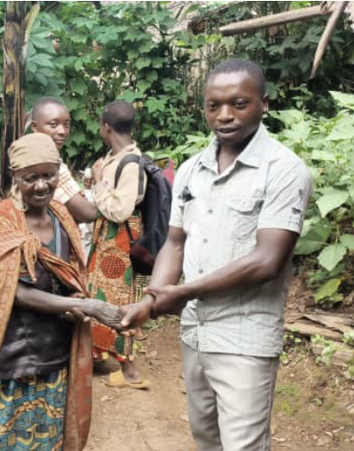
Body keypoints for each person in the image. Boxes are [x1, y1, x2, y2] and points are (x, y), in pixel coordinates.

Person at [120, 59, 314, 451]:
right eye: (214, 105)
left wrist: (183, 292)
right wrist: (152, 299)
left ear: (264, 104)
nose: (224, 115)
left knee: (242, 445)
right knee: (206, 438)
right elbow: (176, 243)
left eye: (239, 104)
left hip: (245, 336)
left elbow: (267, 261)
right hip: (196, 333)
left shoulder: (284, 170)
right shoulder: (191, 171)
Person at [0, 133, 125, 451]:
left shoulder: (62, 217)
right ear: (15, 178)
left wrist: (76, 302)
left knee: (48, 440)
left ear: (58, 173)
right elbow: (13, 292)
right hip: (14, 361)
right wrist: (90, 306)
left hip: (55, 356)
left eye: (48, 175)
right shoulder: (4, 220)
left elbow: (67, 279)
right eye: (30, 178)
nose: (41, 185)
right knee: (3, 441)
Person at [84, 100, 150, 389]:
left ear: (105, 126)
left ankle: (130, 370)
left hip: (121, 243)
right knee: (98, 293)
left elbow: (120, 210)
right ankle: (97, 352)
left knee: (120, 301)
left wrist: (99, 184)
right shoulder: (116, 156)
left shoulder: (131, 162)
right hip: (107, 239)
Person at [28, 97, 98, 224]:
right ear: (34, 127)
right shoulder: (47, 164)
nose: (62, 131)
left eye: (66, 124)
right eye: (53, 124)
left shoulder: (26, 154)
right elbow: (88, 213)